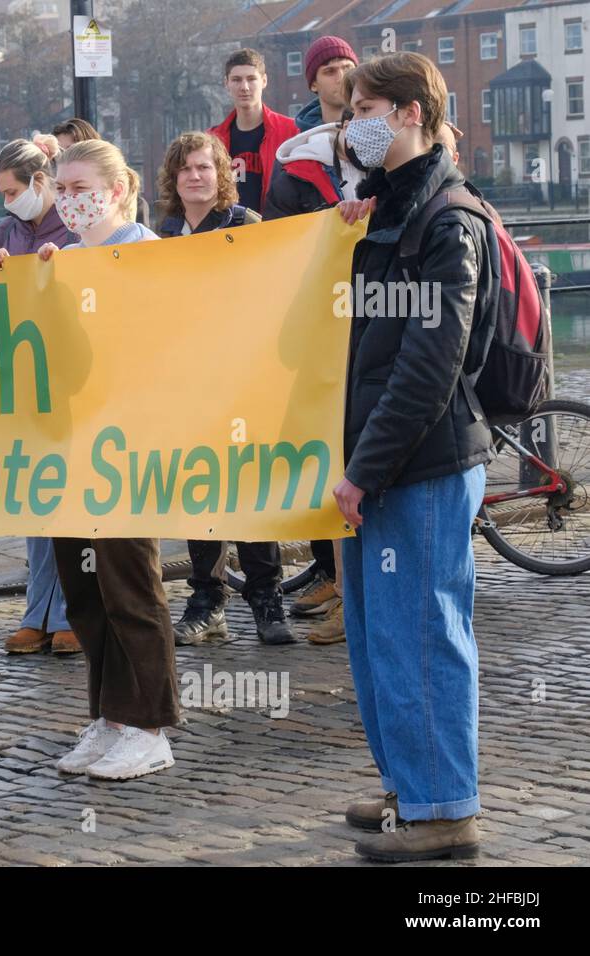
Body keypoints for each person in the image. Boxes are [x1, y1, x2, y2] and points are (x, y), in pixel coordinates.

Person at [334, 51, 495, 862]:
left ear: (407, 114)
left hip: (419, 465)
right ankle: (410, 782)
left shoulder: (447, 219)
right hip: (388, 461)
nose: (348, 122)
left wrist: (366, 467)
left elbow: (430, 363)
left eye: (362, 106)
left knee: (423, 634)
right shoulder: (391, 206)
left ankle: (444, 810)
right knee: (379, 638)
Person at [36, 139, 179, 781]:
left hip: (128, 442)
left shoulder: (149, 253)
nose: (69, 200)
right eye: (60, 189)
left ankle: (150, 725)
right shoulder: (62, 257)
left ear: (119, 189)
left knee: (128, 582)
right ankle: (111, 714)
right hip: (73, 442)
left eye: (80, 187)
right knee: (84, 588)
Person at [152, 133, 293, 647]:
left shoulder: (246, 226)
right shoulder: (161, 237)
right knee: (201, 492)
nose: (195, 176)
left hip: (243, 379)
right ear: (174, 177)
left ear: (221, 175)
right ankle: (208, 599)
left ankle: (266, 598)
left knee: (251, 492)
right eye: (186, 168)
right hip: (188, 383)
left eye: (205, 168)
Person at [264, 113, 366, 644]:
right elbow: (282, 247)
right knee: (336, 464)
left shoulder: (389, 164)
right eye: (364, 111)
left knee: (357, 467)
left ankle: (355, 602)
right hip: (320, 334)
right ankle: (346, 596)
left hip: (367, 329)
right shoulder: (299, 173)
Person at [0, 135, 80, 657]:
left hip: (67, 378)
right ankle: (38, 609)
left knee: (65, 498)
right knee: (36, 499)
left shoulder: (73, 228)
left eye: (12, 190)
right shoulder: (7, 230)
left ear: (39, 182)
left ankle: (69, 611)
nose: (7, 201)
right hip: (28, 379)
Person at [209, 48, 299, 215]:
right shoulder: (212, 141)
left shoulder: (291, 132)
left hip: (277, 229)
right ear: (226, 83)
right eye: (236, 80)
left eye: (251, 79)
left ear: (264, 81)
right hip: (228, 233)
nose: (244, 87)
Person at [52, 117, 151, 227]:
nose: (64, 158)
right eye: (57, 153)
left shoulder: (133, 203)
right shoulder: (59, 202)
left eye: (70, 150)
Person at [294, 36, 359, 131]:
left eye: (347, 68)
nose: (341, 78)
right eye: (330, 71)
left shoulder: (378, 129)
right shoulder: (301, 141)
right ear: (313, 85)